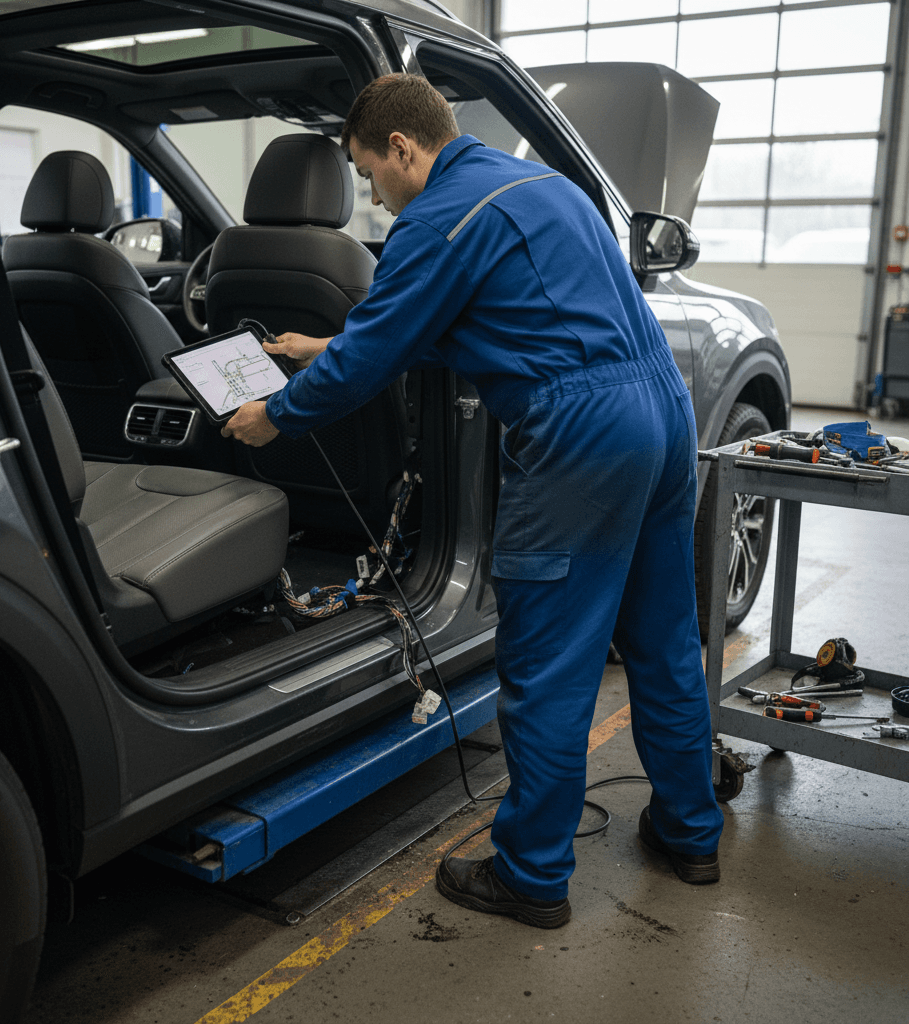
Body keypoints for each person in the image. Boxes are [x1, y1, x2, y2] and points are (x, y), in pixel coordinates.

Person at [222, 73, 724, 929]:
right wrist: (327, 342)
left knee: (549, 662)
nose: (374, 200)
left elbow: (377, 359)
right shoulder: (540, 186)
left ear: (404, 150)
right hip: (661, 413)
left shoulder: (433, 220)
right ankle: (691, 834)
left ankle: (531, 875)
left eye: (370, 175)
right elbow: (485, 313)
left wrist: (276, 414)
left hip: (579, 434)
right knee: (663, 636)